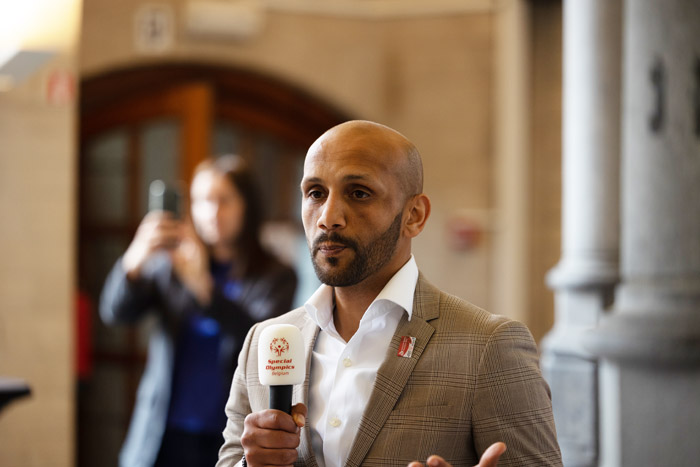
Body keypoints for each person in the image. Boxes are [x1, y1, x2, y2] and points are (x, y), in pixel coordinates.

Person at [217, 121, 562, 467]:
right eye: (316, 193)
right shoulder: (263, 343)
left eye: (359, 193)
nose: (328, 217)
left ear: (414, 215)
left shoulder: (489, 347)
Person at [100, 155, 298, 467]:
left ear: (247, 205)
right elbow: (115, 312)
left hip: (229, 435)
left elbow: (260, 341)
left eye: (224, 200)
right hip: (162, 432)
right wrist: (135, 258)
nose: (211, 213)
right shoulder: (171, 265)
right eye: (202, 201)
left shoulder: (276, 274)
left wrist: (202, 287)